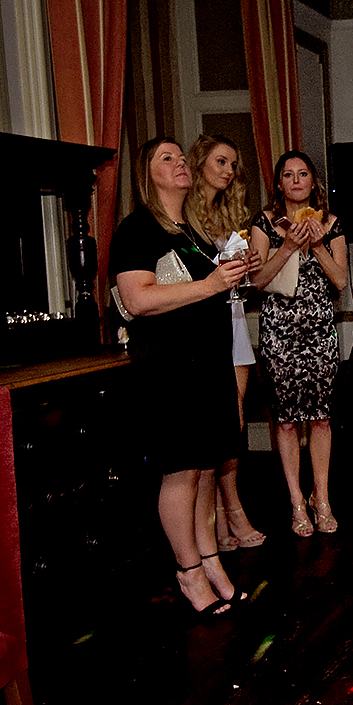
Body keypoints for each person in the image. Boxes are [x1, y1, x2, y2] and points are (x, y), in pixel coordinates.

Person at [108, 137, 248, 618]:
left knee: (207, 468)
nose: (181, 162)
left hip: (206, 366)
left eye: (181, 156)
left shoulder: (189, 230)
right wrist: (211, 283)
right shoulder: (137, 229)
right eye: (166, 158)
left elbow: (202, 293)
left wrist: (230, 273)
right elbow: (139, 299)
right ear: (148, 174)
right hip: (169, 370)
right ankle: (187, 572)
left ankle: (210, 559)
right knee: (182, 470)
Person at [249, 150, 349, 537]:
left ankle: (321, 497)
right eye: (287, 175)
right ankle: (295, 501)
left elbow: (339, 281)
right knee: (288, 420)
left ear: (312, 182)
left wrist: (318, 246)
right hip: (279, 329)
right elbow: (257, 281)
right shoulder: (265, 222)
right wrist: (288, 246)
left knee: (321, 416)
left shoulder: (331, 223)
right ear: (278, 184)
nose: (295, 181)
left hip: (319, 328)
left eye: (302, 174)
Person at [186, 134, 266, 551]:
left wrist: (248, 265)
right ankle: (222, 514)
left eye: (233, 164)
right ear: (199, 164)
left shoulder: (229, 211)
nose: (229, 171)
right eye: (221, 162)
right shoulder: (183, 215)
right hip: (201, 324)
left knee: (231, 424)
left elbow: (242, 281)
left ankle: (228, 508)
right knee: (212, 426)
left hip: (232, 319)